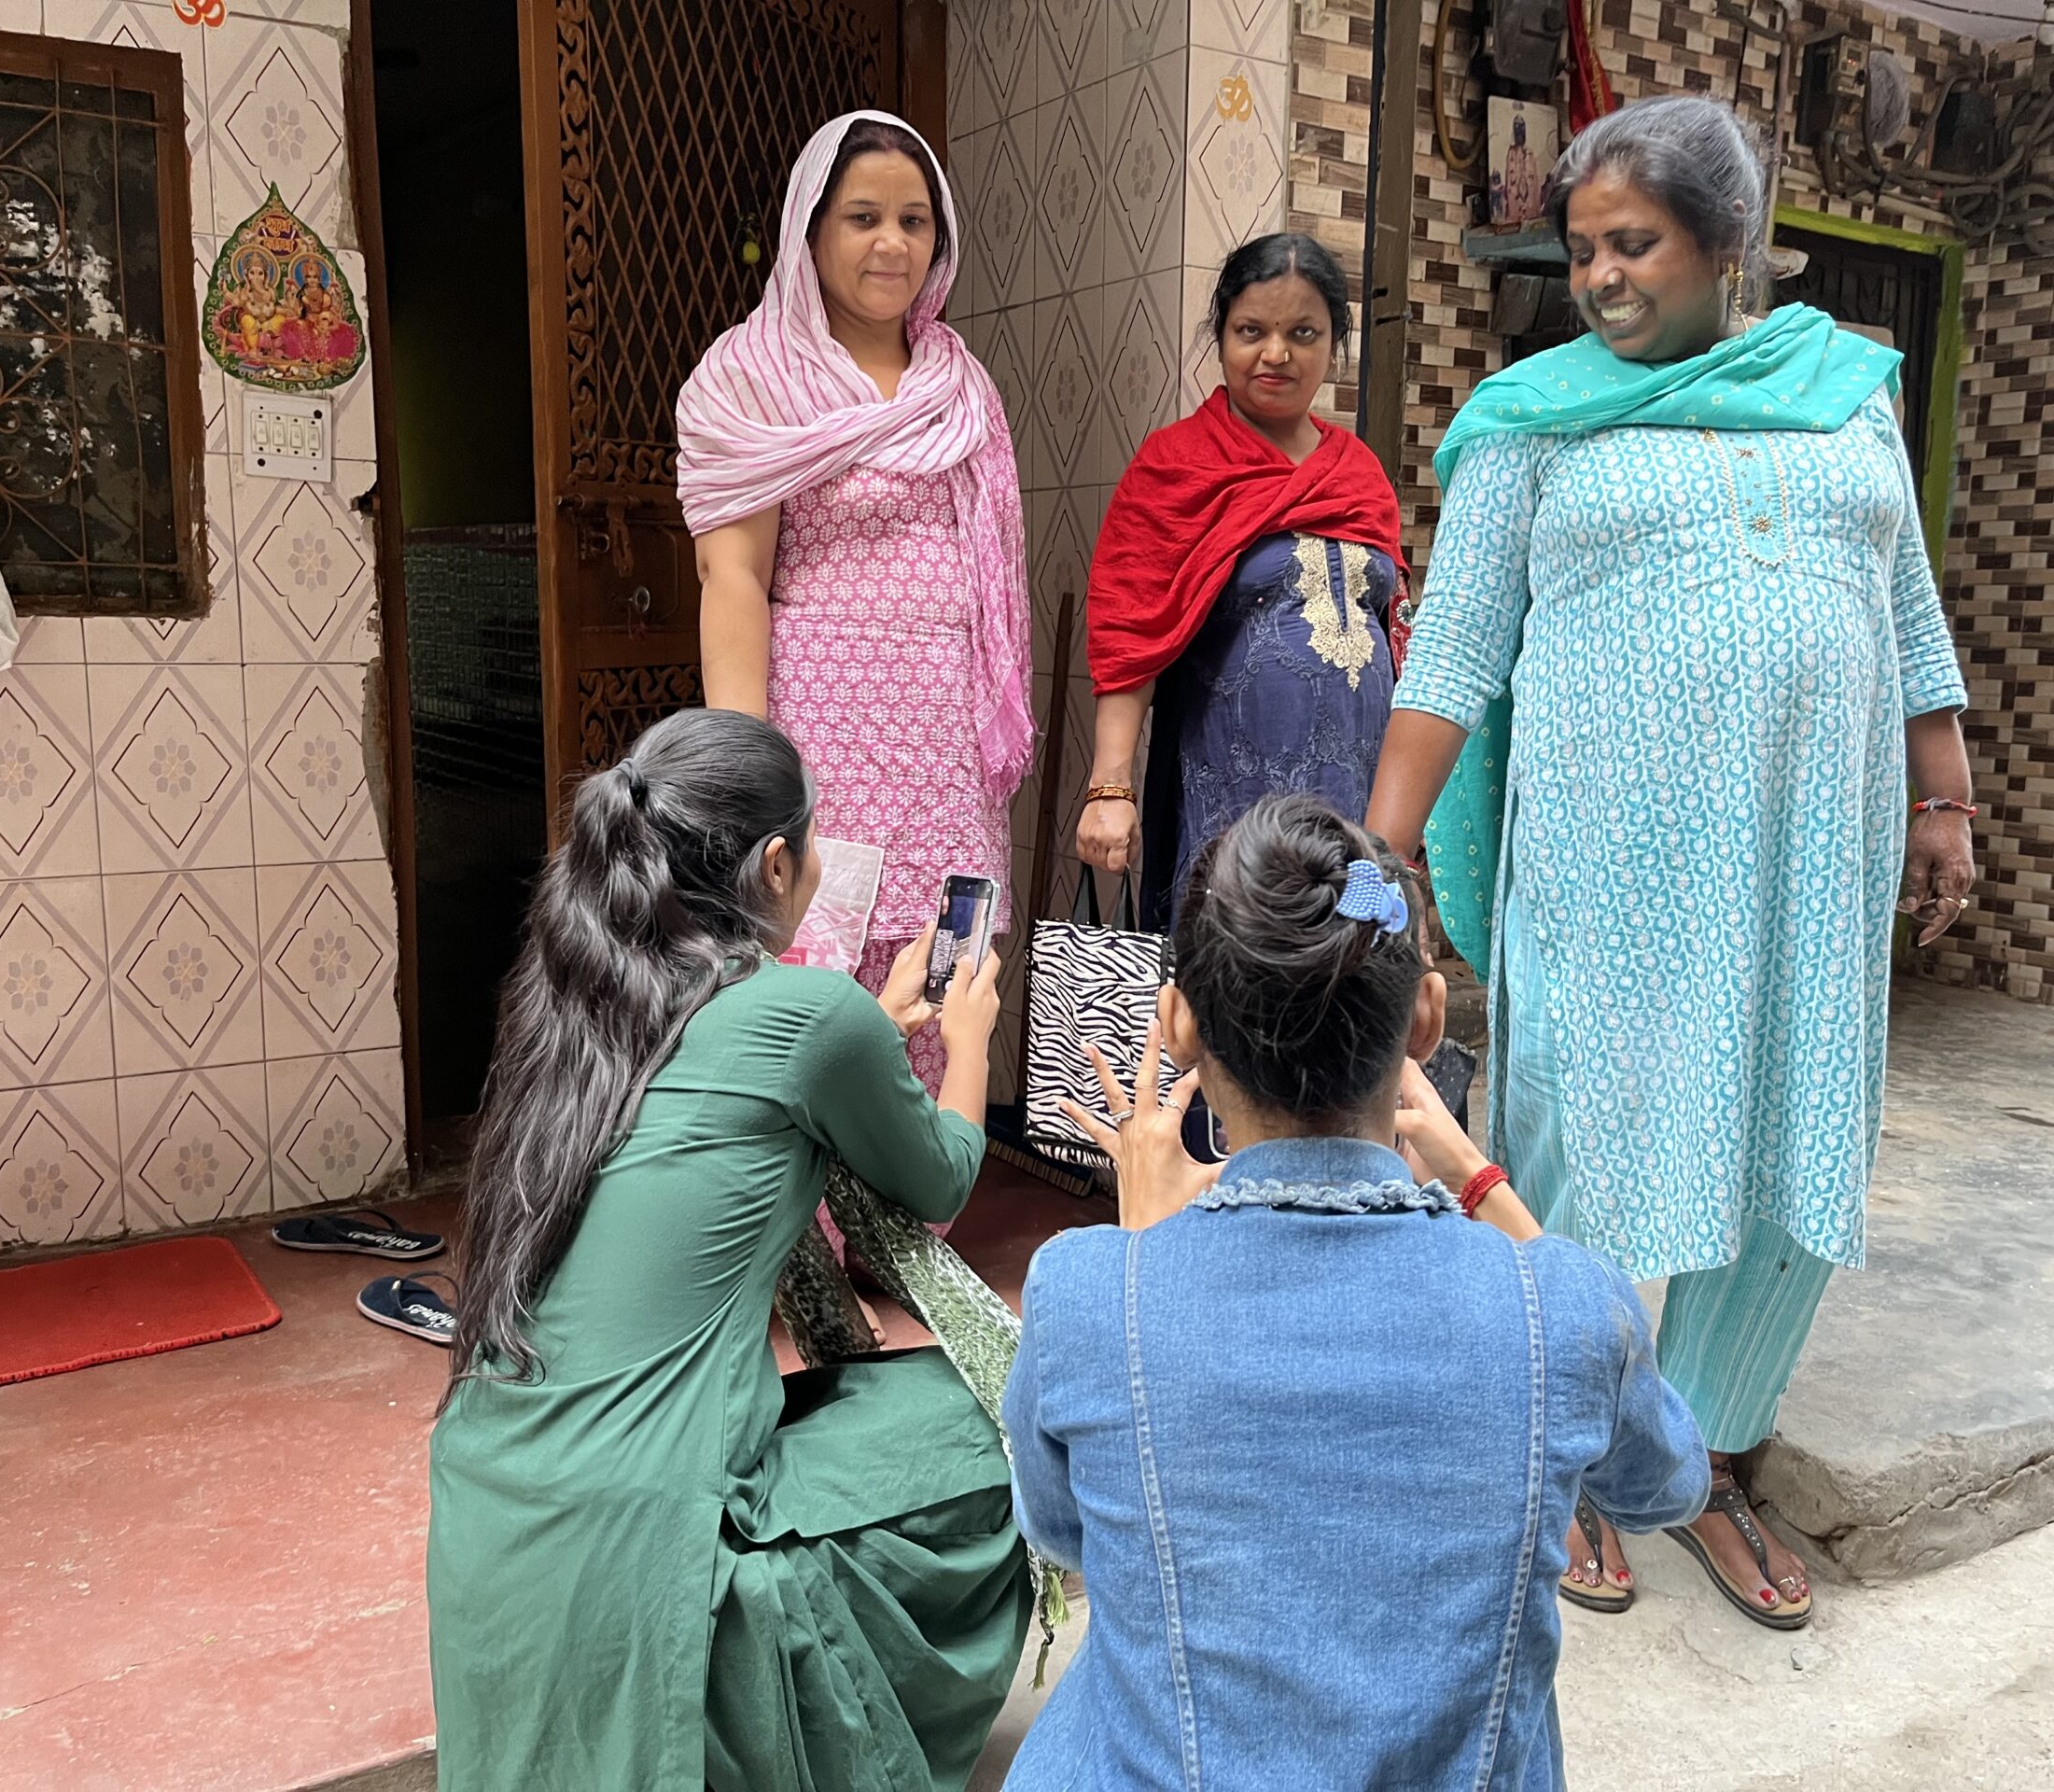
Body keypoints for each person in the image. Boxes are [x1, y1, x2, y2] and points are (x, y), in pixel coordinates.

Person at [1367, 96, 1977, 1630]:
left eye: (1632, 244)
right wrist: (1382, 845)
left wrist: (1944, 799)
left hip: (1811, 861)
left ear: (1728, 250)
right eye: (1583, 250)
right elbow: (1456, 644)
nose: (1601, 278)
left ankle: (1699, 1459)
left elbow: (1903, 605)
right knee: (1572, 1130)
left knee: (1793, 1125)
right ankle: (1569, 1448)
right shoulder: (1535, 417)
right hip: (1606, 853)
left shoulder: (1847, 395)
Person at [1000, 793, 1708, 1789]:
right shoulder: (1566, 1308)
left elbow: (1064, 1529)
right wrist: (1485, 1188)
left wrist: (1143, 1253)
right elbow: (1665, 1486)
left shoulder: (1083, 1294)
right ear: (1424, 1018)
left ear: (1180, 1024)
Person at [426, 708, 1031, 1791]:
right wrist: (969, 1039)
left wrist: (869, 1032)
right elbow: (936, 1176)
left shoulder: (568, 1007)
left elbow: (719, 1098)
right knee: (987, 1417)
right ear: (776, 862)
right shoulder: (808, 1014)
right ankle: (815, 1726)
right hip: (648, 1517)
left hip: (494, 1494)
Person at [681, 111, 1030, 1101]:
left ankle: (911, 1234)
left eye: (916, 221)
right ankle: (811, 1244)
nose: (892, 244)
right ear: (810, 229)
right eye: (863, 216)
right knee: (810, 986)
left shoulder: (959, 383)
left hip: (947, 747)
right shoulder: (746, 376)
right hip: (818, 736)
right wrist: (746, 771)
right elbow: (735, 578)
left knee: (943, 977)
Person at [1075, 231, 1407, 930]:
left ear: (1333, 344)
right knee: (1232, 981)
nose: (1276, 353)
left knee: (1349, 968)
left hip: (1358, 800)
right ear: (1220, 334)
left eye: (1302, 333)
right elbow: (1128, 637)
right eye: (1252, 330)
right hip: (1228, 796)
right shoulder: (1175, 468)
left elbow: (1398, 638)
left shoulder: (1361, 475)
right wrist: (1111, 786)